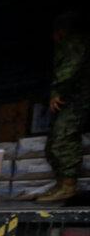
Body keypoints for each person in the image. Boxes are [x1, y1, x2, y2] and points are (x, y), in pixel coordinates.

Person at [37, 12, 89, 203]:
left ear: (61, 31)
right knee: (54, 143)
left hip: (76, 100)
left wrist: (58, 92)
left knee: (63, 140)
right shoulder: (72, 43)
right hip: (72, 99)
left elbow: (69, 68)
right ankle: (61, 183)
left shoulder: (74, 43)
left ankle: (68, 185)